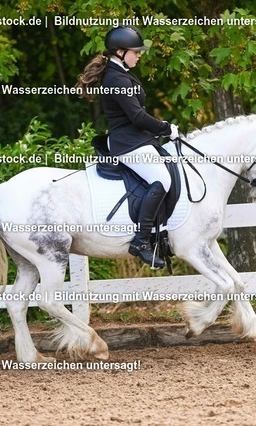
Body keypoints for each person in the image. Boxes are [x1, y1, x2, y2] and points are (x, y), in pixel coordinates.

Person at [76, 25, 179, 268]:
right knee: (162, 180)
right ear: (120, 52)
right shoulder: (116, 78)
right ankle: (141, 242)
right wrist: (166, 128)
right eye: (136, 51)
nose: (139, 55)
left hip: (137, 139)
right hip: (128, 143)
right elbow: (138, 117)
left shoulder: (121, 72)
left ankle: (159, 233)